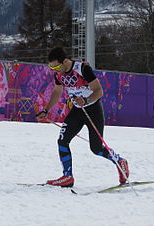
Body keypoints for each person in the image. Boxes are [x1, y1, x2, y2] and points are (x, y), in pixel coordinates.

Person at [36, 47, 129, 187]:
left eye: (56, 66)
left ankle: (120, 161)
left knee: (96, 149)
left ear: (65, 61)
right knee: (62, 141)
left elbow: (99, 91)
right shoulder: (58, 75)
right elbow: (57, 91)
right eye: (51, 67)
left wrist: (86, 100)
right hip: (77, 111)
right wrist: (46, 110)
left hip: (93, 110)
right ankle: (67, 177)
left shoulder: (83, 69)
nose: (54, 69)